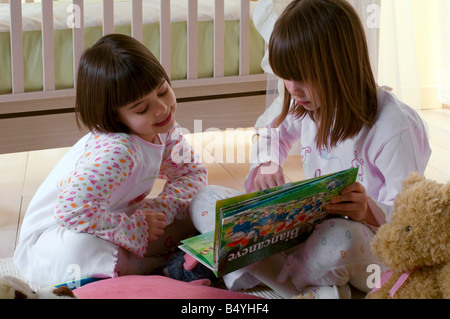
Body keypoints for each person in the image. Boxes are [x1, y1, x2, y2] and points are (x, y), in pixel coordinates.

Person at [188, 0, 431, 298]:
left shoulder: (393, 126)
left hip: (370, 254)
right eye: (285, 77)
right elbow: (270, 135)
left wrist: (368, 210)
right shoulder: (308, 106)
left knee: (338, 237)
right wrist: (267, 164)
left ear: (340, 67)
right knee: (207, 199)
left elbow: (413, 220)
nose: (291, 88)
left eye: (301, 77)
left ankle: (277, 282)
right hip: (313, 239)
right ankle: (316, 288)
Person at [14, 34, 207, 288]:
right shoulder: (119, 151)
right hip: (55, 236)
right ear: (114, 116)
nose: (161, 109)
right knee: (78, 248)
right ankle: (156, 269)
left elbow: (191, 173)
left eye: (162, 91)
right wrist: (135, 227)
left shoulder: (164, 129)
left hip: (106, 218)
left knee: (200, 206)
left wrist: (162, 208)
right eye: (141, 109)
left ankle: (150, 263)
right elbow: (72, 210)